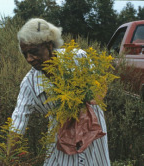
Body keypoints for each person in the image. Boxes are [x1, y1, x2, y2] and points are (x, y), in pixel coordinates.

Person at [8, 18, 111, 166]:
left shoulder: (77, 58)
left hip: (93, 131)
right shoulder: (29, 84)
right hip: (62, 139)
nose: (29, 59)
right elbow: (17, 123)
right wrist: (8, 158)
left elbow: (100, 82)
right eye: (25, 54)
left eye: (34, 52)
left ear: (49, 45)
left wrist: (91, 101)